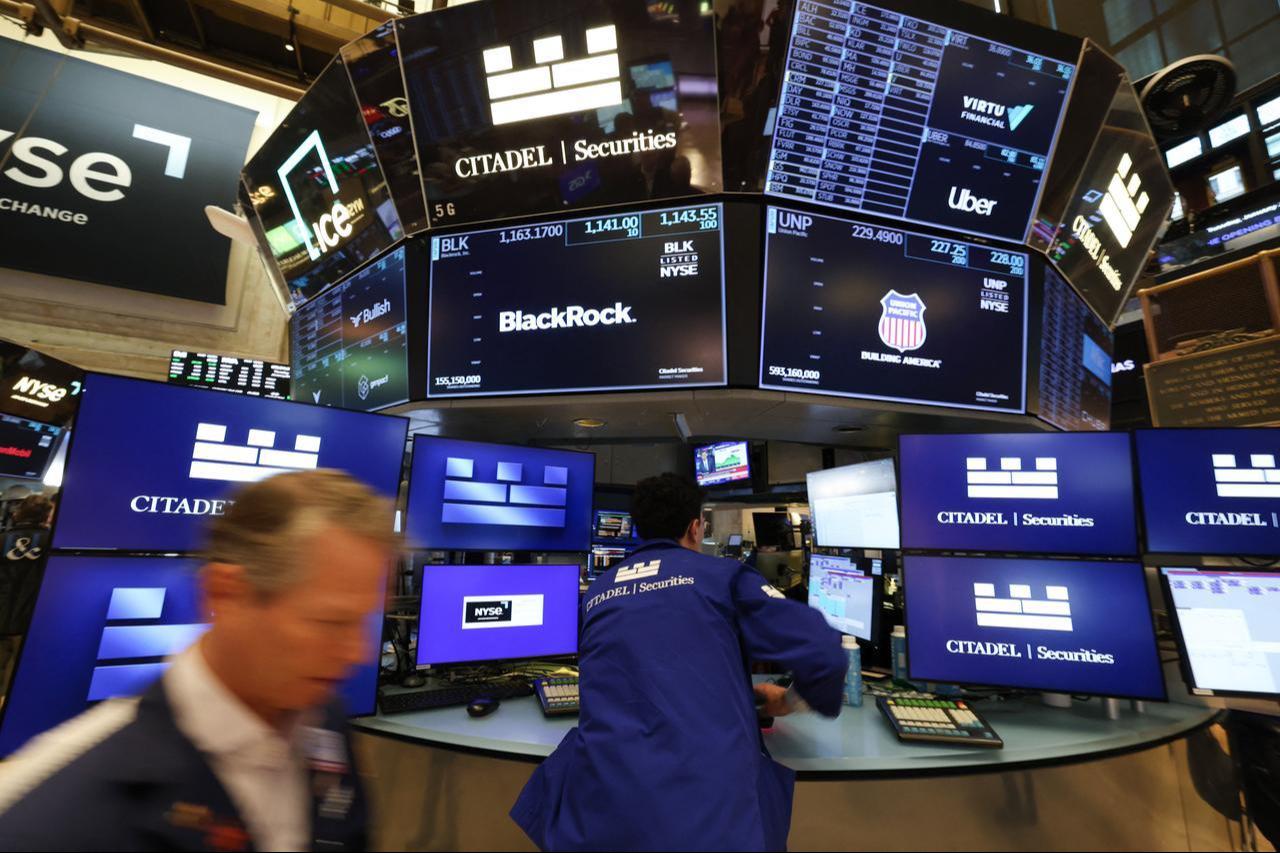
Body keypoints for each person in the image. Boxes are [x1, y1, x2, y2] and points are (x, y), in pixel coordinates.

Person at [0, 470, 397, 852]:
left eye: (363, 620)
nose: (358, 652)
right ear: (226, 595)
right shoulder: (60, 814)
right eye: (330, 622)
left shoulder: (320, 717)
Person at [512, 473, 847, 851]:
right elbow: (822, 652)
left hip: (601, 817)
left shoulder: (598, 592)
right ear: (694, 527)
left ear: (639, 529)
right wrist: (788, 701)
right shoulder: (724, 577)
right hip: (710, 821)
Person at [0, 494, 54, 692]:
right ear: (47, 516)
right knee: (16, 677)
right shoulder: (53, 543)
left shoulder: (3, 539)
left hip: (2, 615)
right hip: (31, 619)